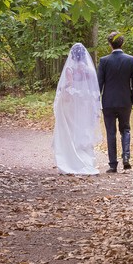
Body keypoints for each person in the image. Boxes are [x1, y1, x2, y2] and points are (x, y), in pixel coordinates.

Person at [52, 43, 101, 175]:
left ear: (72, 55)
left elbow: (69, 86)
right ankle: (86, 159)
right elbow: (93, 89)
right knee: (83, 129)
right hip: (85, 104)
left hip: (72, 104)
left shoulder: (70, 69)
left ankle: (71, 159)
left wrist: (61, 94)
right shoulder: (89, 70)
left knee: (71, 130)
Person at [97, 31, 133, 173]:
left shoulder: (104, 61)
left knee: (111, 132)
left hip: (108, 102)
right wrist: (132, 99)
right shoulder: (131, 60)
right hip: (124, 101)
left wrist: (97, 101)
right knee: (125, 129)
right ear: (123, 43)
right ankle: (126, 157)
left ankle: (113, 165)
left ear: (110, 44)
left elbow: (99, 84)